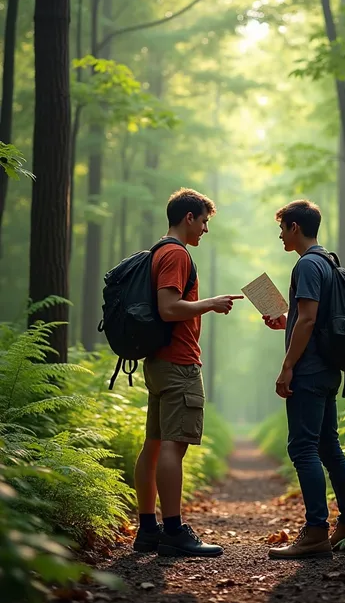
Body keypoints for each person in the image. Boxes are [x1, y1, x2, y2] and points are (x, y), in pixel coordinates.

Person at [133, 188, 243, 557]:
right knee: (172, 447)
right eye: (204, 221)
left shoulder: (157, 252)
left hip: (158, 361)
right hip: (178, 362)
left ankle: (148, 529)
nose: (205, 230)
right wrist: (209, 304)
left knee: (153, 445)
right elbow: (168, 308)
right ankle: (174, 531)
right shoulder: (176, 254)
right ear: (189, 218)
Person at [263, 199, 345, 560]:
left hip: (309, 370)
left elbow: (306, 321)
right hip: (329, 369)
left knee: (303, 448)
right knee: (328, 447)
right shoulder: (328, 263)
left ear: (294, 228)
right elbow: (309, 317)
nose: (280, 235)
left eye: (282, 228)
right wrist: (283, 318)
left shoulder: (306, 265)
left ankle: (317, 531)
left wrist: (287, 366)